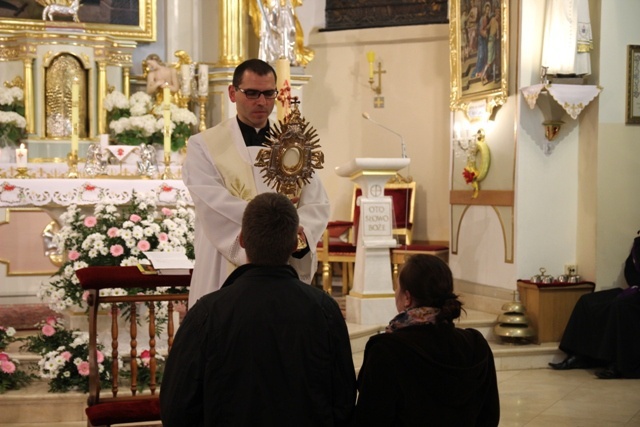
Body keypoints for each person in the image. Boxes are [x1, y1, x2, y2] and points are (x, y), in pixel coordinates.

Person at [160, 192, 356, 426]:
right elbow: (344, 401)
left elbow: (176, 408)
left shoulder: (207, 314)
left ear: (242, 240)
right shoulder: (326, 311)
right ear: (295, 244)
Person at [182, 58, 329, 307]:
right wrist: (276, 223)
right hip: (223, 265)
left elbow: (317, 203)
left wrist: (298, 234)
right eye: (251, 93)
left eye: (268, 93)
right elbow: (213, 203)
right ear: (232, 93)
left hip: (283, 264)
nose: (261, 102)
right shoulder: (204, 145)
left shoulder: (293, 146)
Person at [354, 254, 500, 426]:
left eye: (397, 288)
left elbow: (371, 419)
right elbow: (489, 416)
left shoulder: (386, 350)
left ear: (407, 298)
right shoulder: (475, 344)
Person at [549, 236, 640, 379]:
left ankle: (618, 364)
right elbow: (630, 272)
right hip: (635, 290)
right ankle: (580, 355)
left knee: (620, 306)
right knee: (588, 301)